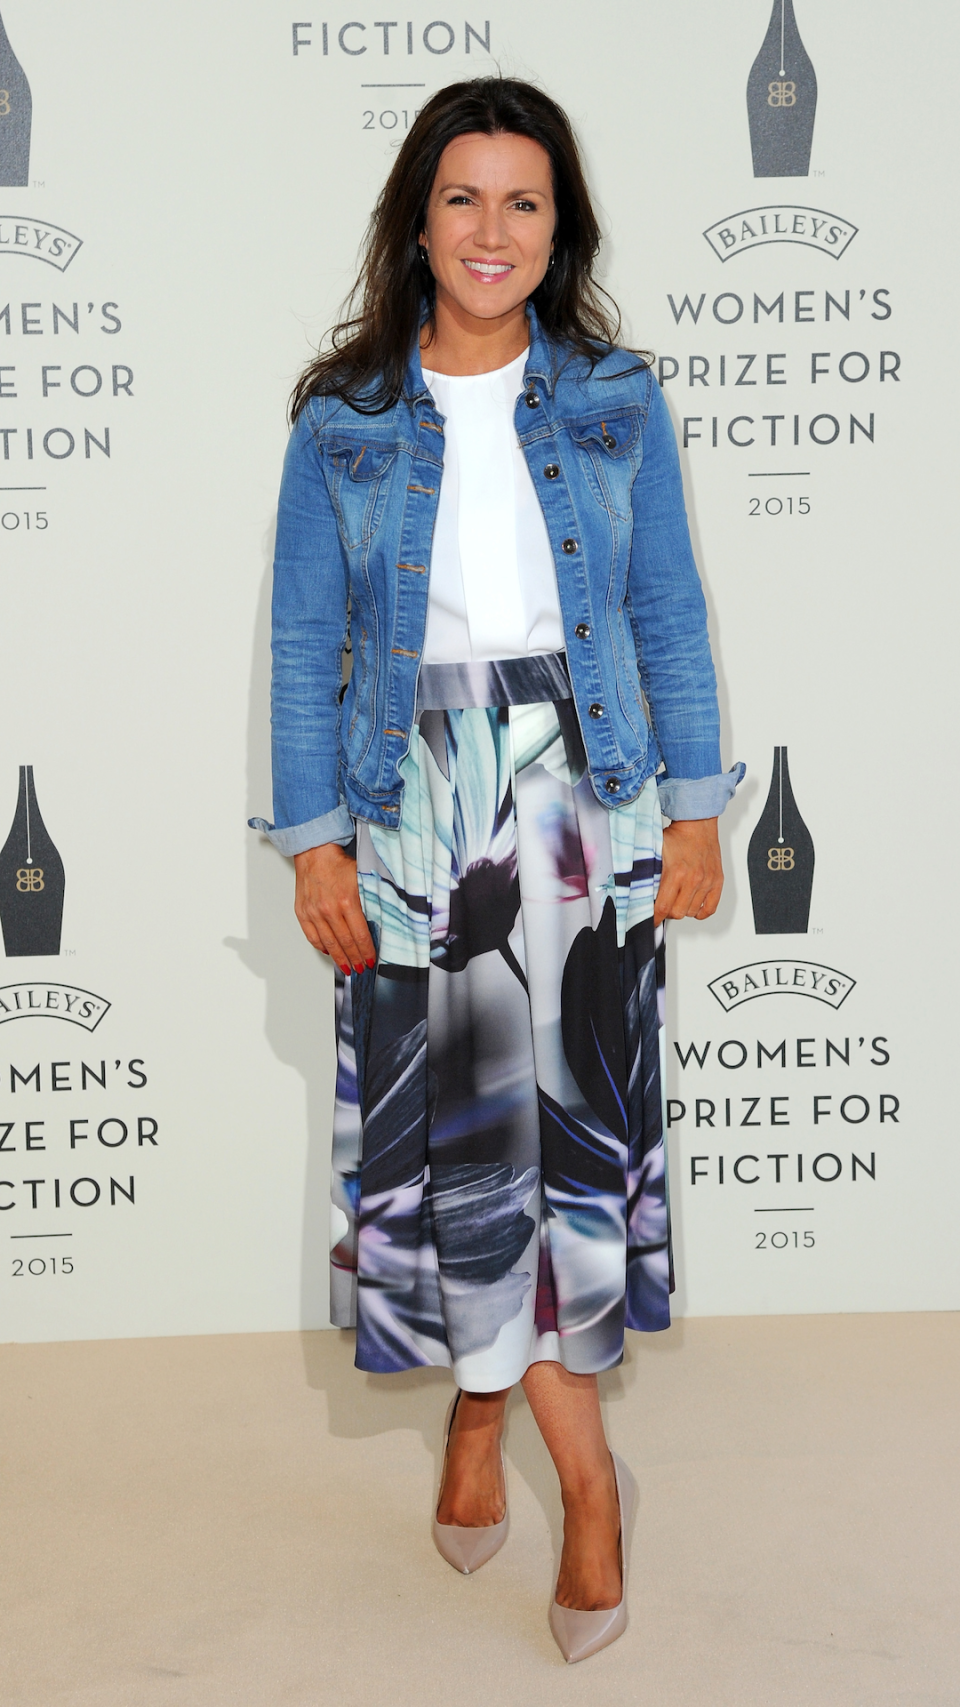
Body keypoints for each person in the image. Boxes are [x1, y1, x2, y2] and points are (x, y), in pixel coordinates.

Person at [251, 76, 742, 1663]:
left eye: (523, 201)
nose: (491, 230)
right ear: (417, 218)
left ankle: (531, 1447)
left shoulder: (615, 399)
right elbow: (305, 641)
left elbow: (667, 610)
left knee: (573, 1151)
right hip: (411, 806)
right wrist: (315, 837)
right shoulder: (346, 419)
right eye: (462, 198)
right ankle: (556, 1457)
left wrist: (691, 807)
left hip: (580, 797)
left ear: (560, 225)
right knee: (467, 1150)